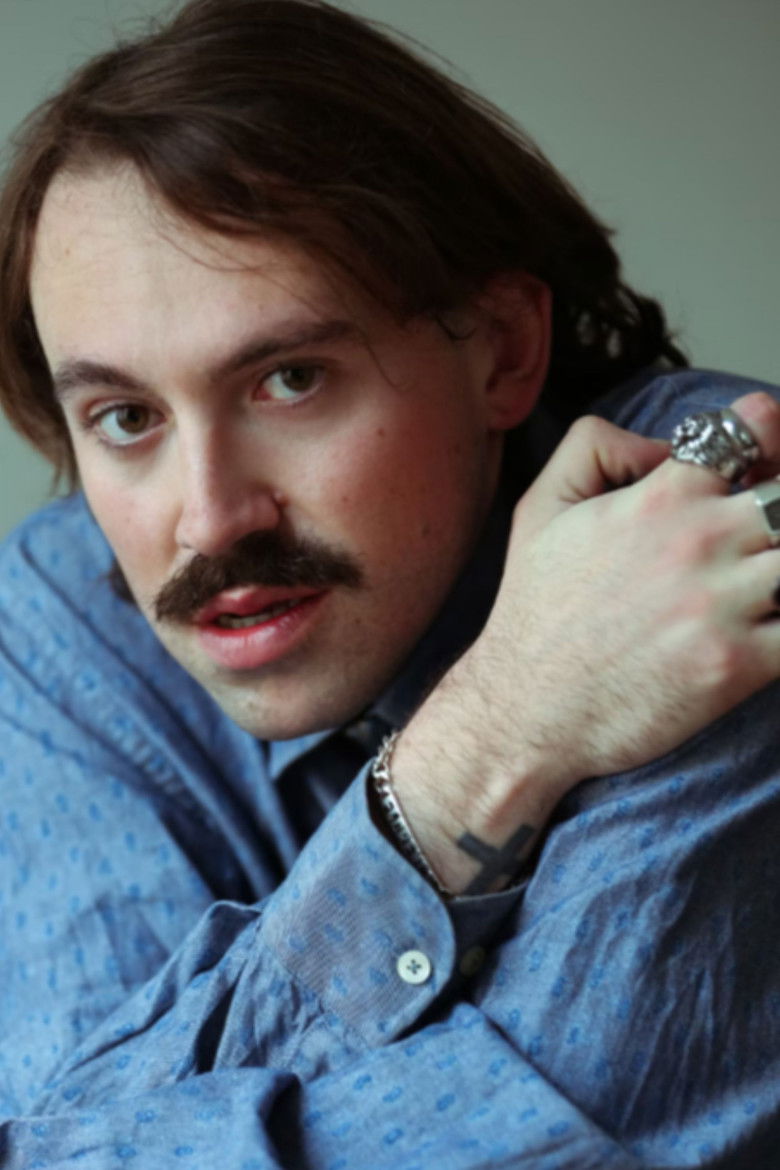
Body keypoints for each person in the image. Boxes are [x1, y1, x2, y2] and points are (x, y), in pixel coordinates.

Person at [0, 1, 779, 1165]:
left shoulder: (702, 540)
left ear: (503, 350)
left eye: (291, 380)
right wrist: (488, 736)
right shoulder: (62, 621)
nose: (209, 519)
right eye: (125, 417)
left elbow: (580, 1134)